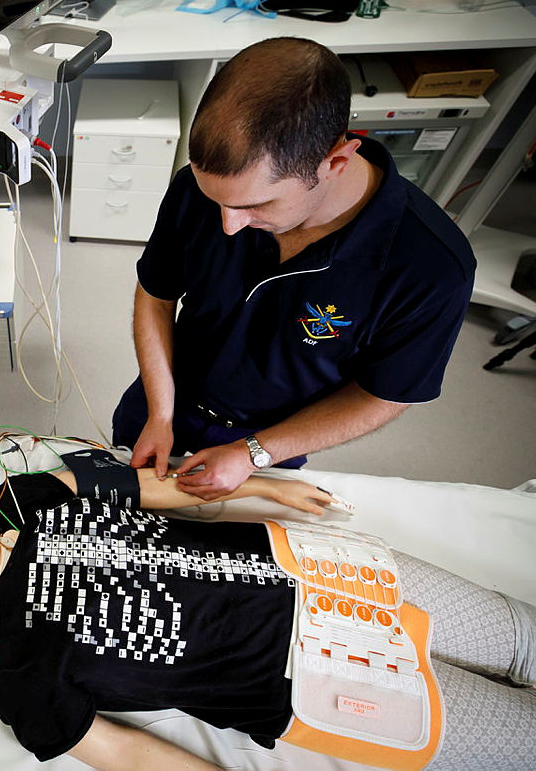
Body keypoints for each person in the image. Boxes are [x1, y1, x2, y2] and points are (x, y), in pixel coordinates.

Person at [0, 451, 536, 771]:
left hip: (302, 561)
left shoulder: (17, 493)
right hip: (311, 678)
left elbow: (165, 491)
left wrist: (260, 485)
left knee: (527, 639)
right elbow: (125, 754)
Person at [112, 37, 476, 500]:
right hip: (159, 402)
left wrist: (254, 453)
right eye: (215, 200)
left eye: (256, 204)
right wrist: (160, 413)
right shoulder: (200, 191)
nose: (228, 225)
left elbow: (384, 395)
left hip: (269, 444)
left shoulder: (430, 268)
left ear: (336, 161)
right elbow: (157, 293)